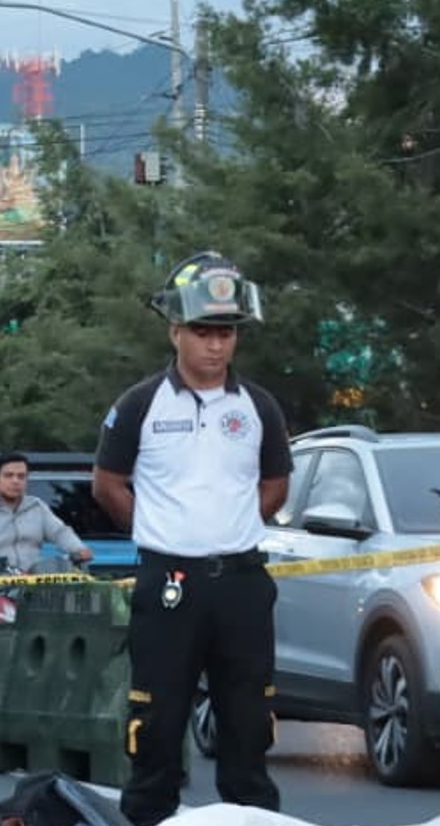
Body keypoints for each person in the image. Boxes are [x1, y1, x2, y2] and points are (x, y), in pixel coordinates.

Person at [92, 251, 291, 826]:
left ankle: (251, 817)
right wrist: (162, 530)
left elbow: (277, 482)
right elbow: (107, 485)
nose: (216, 346)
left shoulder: (259, 407)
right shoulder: (139, 404)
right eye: (204, 332)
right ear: (176, 330)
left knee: (249, 718)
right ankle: (150, 817)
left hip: (242, 583)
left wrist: (228, 528)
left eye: (226, 333)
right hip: (168, 581)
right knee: (157, 718)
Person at [0, 451, 94, 692]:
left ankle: (55, 684)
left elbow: (60, 532)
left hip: (31, 584)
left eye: (21, 476)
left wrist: (78, 548)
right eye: (9, 475)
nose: (16, 481)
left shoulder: (37, 508)